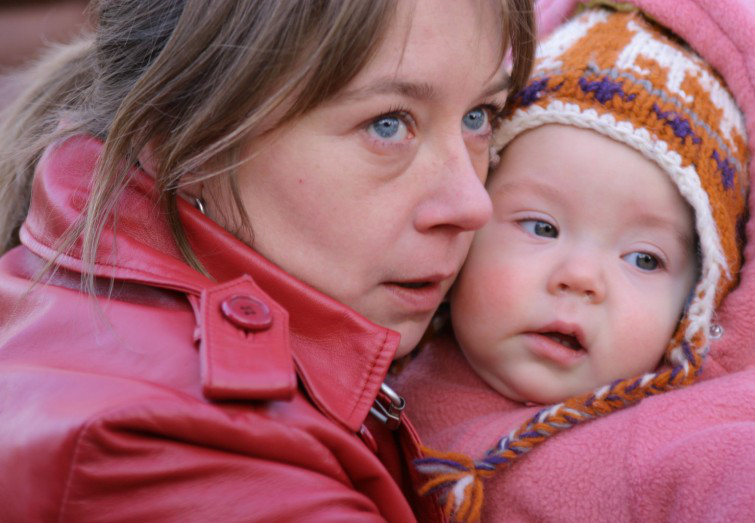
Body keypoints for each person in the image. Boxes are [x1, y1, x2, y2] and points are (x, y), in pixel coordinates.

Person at [0, 0, 536, 521]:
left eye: (478, 116)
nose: (472, 204)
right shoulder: (186, 450)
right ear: (183, 141)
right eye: (388, 124)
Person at [391, 2, 755, 522]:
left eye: (644, 259)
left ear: (696, 307)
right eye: (541, 227)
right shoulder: (384, 350)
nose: (580, 279)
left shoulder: (690, 441)